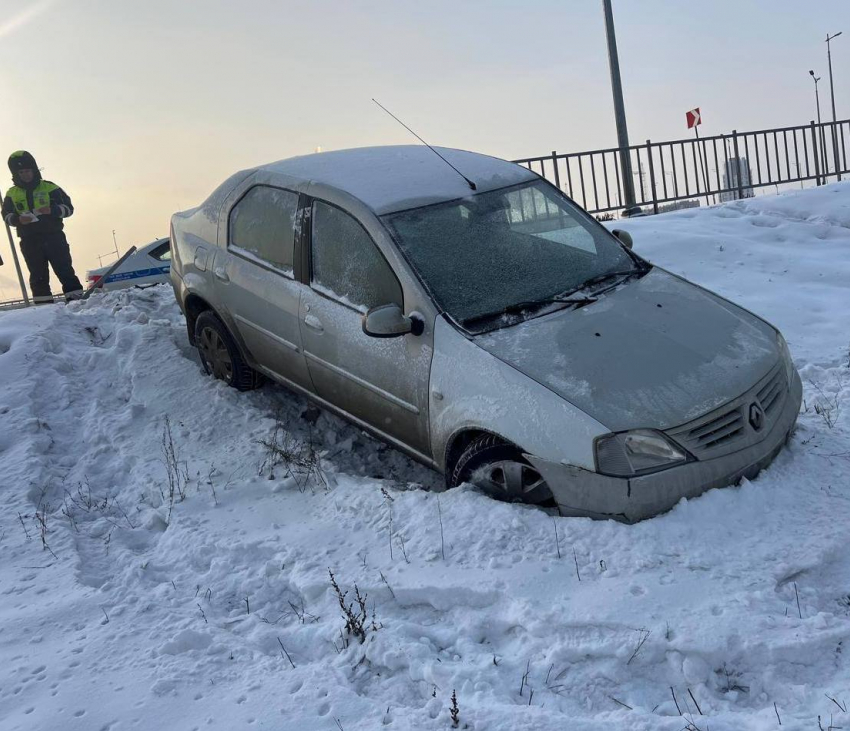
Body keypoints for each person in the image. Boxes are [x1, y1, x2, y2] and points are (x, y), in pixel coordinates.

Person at [2, 151, 83, 303]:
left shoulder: (50, 187)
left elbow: (69, 208)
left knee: (64, 270)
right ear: (16, 174)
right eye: (21, 172)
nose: (25, 175)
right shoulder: (11, 194)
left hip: (54, 236)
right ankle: (44, 310)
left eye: (27, 171)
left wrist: (52, 210)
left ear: (34, 170)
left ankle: (78, 303)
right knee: (37, 275)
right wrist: (18, 219)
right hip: (29, 240)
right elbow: (6, 215)